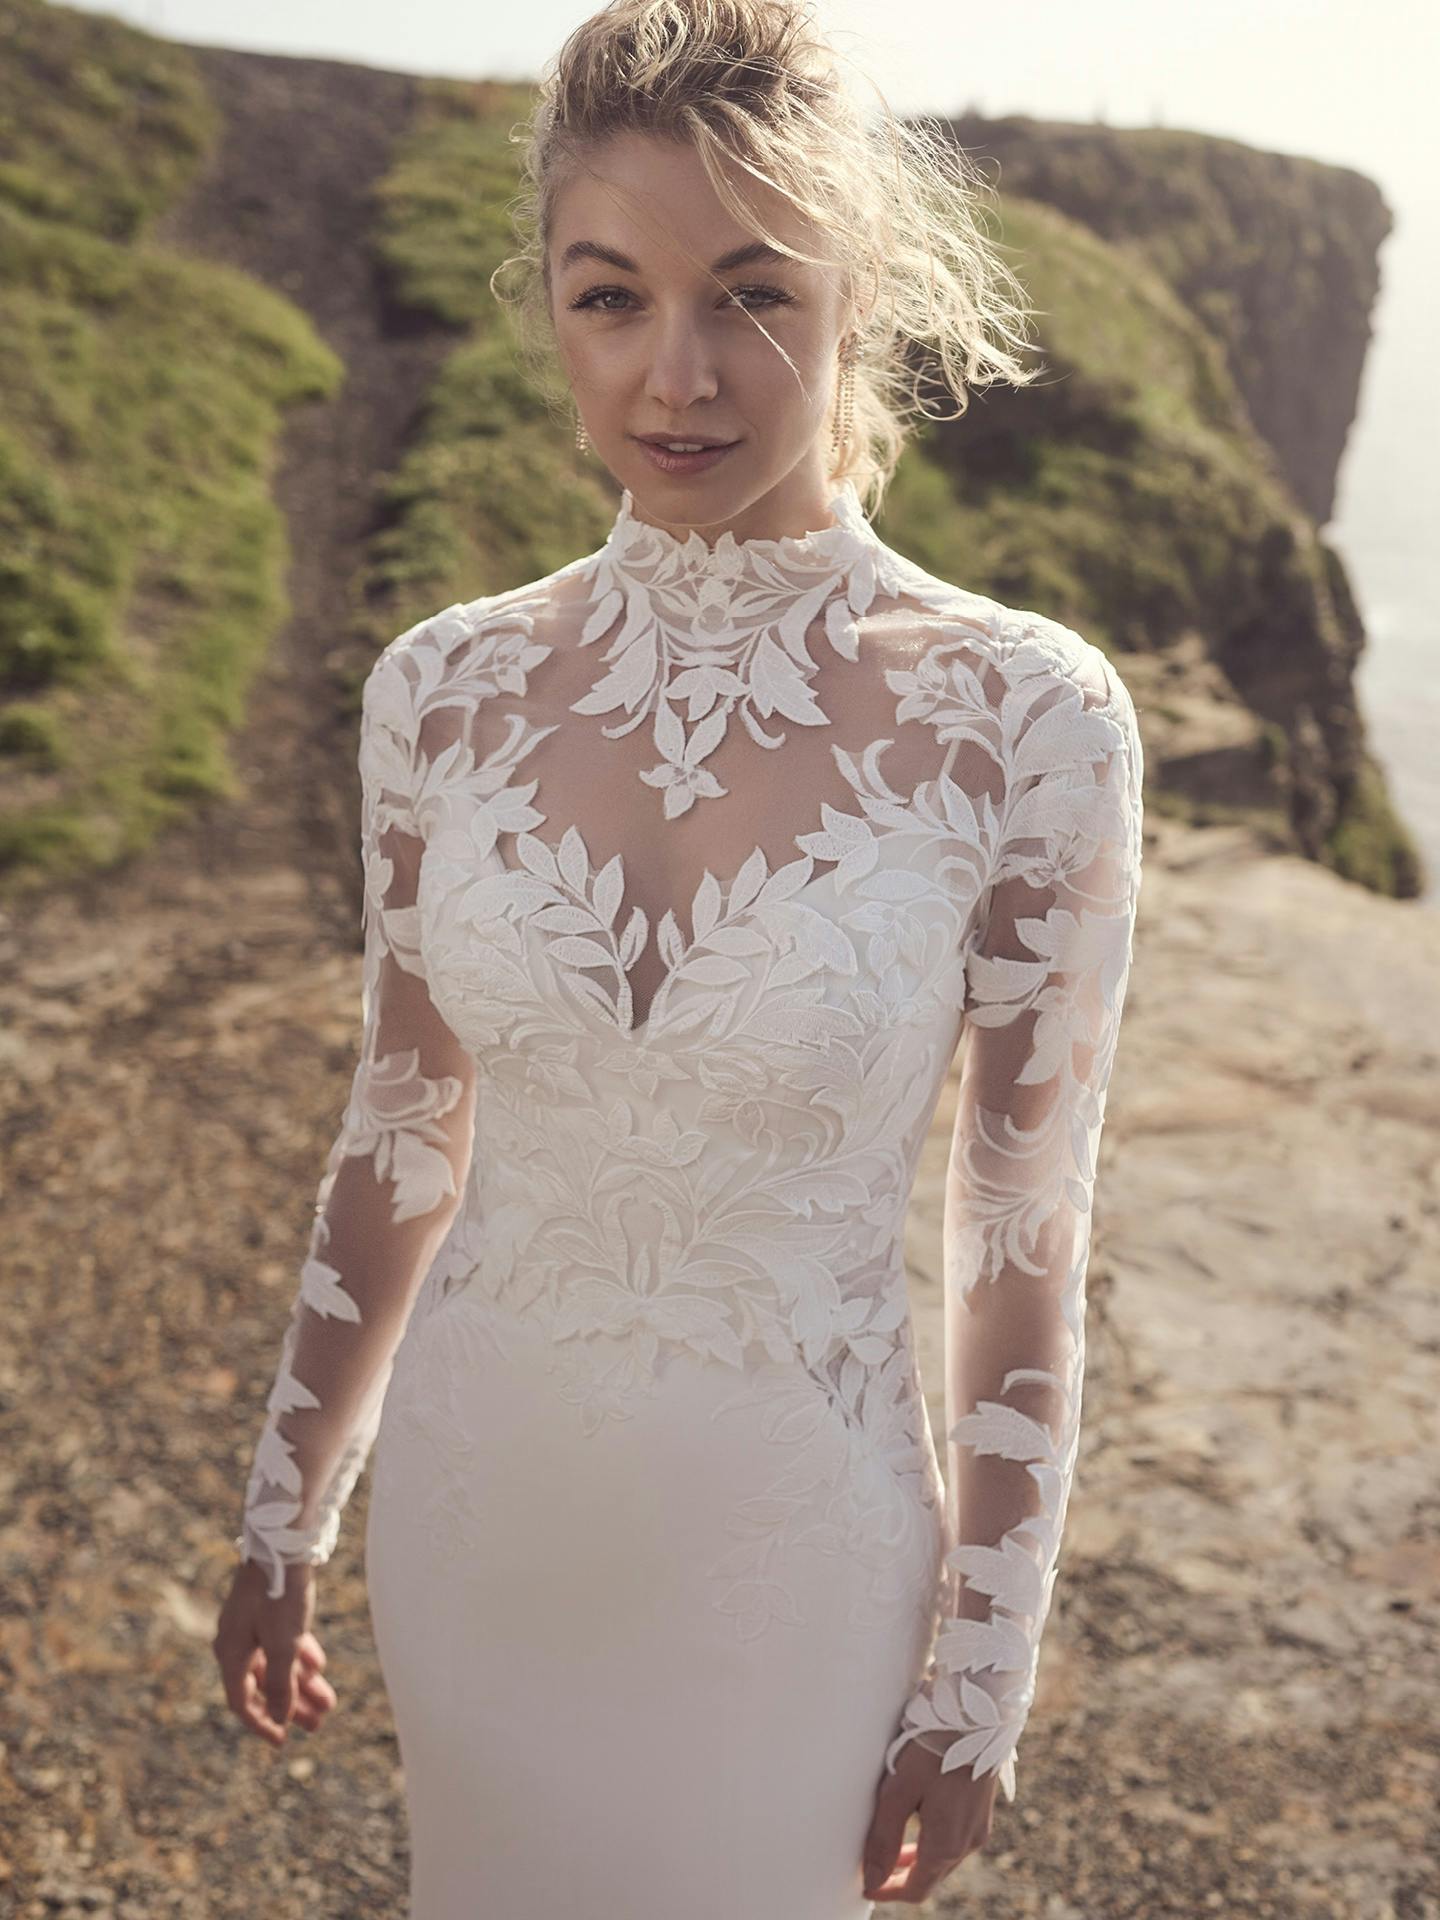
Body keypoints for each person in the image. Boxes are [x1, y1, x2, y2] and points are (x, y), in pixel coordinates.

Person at [211, 0, 1145, 1912]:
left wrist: (980, 1683)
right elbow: (400, 1127)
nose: (678, 375)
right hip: (479, 1532)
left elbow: (1021, 1234)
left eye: (752, 295)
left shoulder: (1022, 716)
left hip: (787, 1561)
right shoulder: (440, 691)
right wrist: (284, 1509)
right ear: (548, 307)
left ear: (856, 301)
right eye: (611, 296)